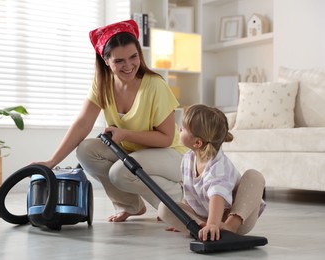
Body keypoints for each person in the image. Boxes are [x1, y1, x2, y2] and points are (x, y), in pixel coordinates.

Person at [33, 20, 187, 222]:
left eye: (133, 57)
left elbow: (166, 138)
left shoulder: (155, 85)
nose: (129, 65)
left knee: (120, 172)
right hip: (134, 152)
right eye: (119, 61)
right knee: (86, 151)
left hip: (170, 155)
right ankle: (130, 205)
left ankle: (176, 204)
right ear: (106, 61)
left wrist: (125, 134)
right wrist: (52, 161)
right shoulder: (103, 83)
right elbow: (82, 123)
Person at [157, 104, 266, 241]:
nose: (179, 129)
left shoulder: (218, 166)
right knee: (164, 207)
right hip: (206, 218)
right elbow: (190, 195)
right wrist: (184, 218)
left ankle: (228, 228)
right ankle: (201, 229)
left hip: (237, 219)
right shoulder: (187, 159)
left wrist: (214, 223)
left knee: (254, 176)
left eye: (183, 128)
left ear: (197, 143)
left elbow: (217, 197)